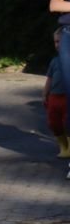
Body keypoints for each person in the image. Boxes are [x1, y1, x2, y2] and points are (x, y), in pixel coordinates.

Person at [43, 27, 70, 159]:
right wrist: (45, 94)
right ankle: (63, 146)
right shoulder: (54, 61)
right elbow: (49, 78)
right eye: (56, 42)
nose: (58, 44)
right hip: (54, 96)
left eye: (61, 41)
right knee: (53, 122)